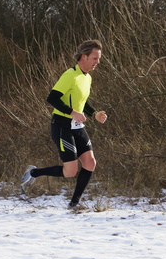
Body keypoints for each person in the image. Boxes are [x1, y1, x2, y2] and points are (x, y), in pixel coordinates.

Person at [20, 40, 108, 208]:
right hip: (62, 126)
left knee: (90, 163)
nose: (98, 62)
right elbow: (52, 98)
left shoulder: (87, 77)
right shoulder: (70, 75)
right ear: (84, 56)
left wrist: (94, 113)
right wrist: (72, 112)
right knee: (70, 171)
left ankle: (74, 203)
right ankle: (33, 173)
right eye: (95, 58)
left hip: (77, 127)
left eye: (99, 59)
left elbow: (82, 101)